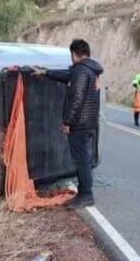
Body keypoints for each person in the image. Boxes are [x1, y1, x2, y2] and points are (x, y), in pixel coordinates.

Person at [33, 39, 103, 208]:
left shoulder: (81, 71)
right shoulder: (90, 70)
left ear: (73, 53)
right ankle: (84, 192)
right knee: (83, 159)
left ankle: (86, 195)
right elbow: (67, 76)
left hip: (79, 123)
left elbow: (77, 98)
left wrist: (67, 122)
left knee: (81, 160)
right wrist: (46, 72)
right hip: (89, 122)